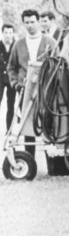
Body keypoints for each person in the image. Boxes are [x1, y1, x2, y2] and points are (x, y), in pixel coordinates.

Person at [7, 9, 56, 156]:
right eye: (26, 22)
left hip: (46, 90)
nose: (30, 25)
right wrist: (15, 84)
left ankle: (52, 159)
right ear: (23, 24)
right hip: (25, 91)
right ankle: (29, 157)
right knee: (27, 124)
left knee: (48, 122)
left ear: (38, 22)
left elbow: (58, 65)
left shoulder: (50, 42)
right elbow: (11, 67)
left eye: (32, 22)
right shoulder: (18, 44)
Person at [0, 23, 16, 132]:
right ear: (2, 33)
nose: (8, 35)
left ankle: (9, 130)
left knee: (11, 105)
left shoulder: (16, 46)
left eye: (10, 33)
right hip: (0, 79)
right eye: (6, 33)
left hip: (11, 80)